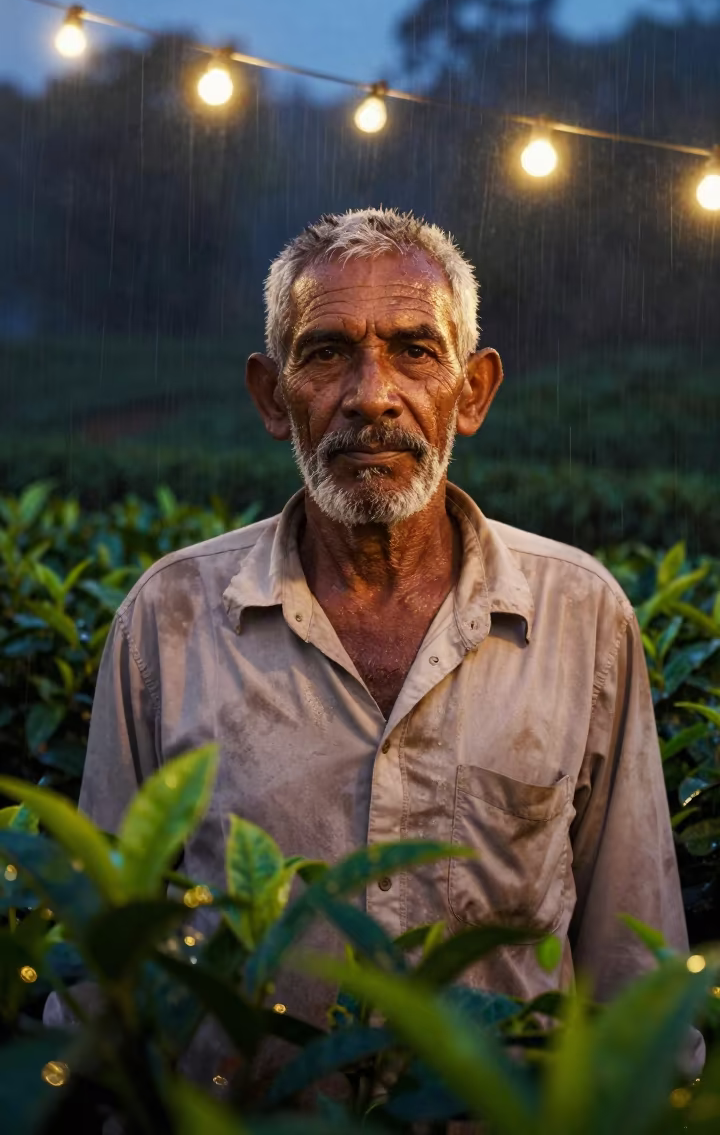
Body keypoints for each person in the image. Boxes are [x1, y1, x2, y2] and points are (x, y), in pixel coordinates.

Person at [48, 207, 703, 1081]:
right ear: (271, 395)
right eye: (325, 353)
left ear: (472, 392)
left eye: (414, 350)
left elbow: (634, 975)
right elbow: (104, 968)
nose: (371, 394)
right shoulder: (167, 620)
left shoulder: (580, 616)